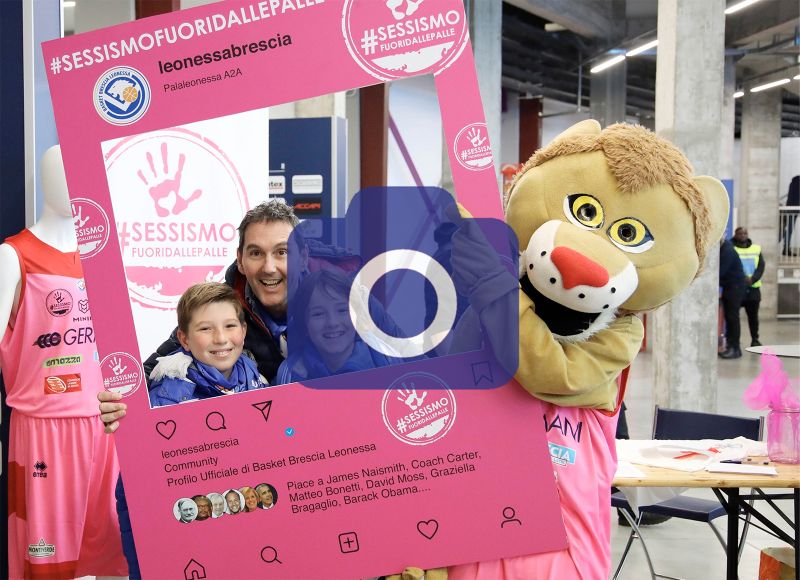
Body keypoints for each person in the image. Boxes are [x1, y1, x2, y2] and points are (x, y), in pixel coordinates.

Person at [0, 145, 127, 578]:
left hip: (105, 424)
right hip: (43, 426)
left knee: (112, 555)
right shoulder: (14, 255)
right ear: (45, 178)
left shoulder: (103, 256)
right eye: (64, 171)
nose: (75, 184)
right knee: (47, 559)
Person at [148, 282, 269, 407]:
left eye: (230, 326)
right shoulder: (166, 399)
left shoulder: (256, 377)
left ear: (243, 332)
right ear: (184, 339)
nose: (221, 339)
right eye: (205, 328)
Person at [276, 269, 393, 383]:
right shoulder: (288, 375)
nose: (332, 323)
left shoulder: (388, 361)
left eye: (342, 310)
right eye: (318, 314)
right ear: (305, 324)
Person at [732, 227, 765, 347]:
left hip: (753, 289)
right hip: (737, 288)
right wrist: (742, 279)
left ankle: (755, 339)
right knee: (734, 318)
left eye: (745, 233)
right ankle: (734, 342)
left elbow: (761, 266)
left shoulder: (756, 249)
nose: (743, 235)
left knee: (753, 317)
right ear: (735, 235)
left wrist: (753, 279)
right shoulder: (732, 249)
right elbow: (732, 267)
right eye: (740, 233)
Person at [719, 237, 748, 359]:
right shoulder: (725, 248)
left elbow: (720, 272)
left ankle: (735, 349)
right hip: (730, 287)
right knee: (730, 317)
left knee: (732, 318)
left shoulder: (727, 250)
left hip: (735, 287)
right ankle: (731, 346)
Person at [782, 175, 799, 256]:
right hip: (794, 208)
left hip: (790, 208)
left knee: (788, 229)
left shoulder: (794, 182)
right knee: (789, 229)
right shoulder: (797, 182)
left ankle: (786, 247)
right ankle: (786, 248)